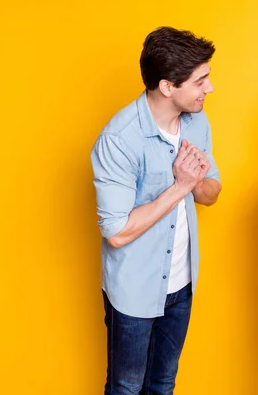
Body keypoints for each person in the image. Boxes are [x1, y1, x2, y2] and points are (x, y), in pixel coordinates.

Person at [90, 26, 221, 395]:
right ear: (167, 86)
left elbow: (211, 193)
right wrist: (180, 186)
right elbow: (116, 233)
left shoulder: (198, 121)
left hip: (182, 284)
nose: (209, 88)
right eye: (201, 80)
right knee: (126, 388)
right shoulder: (119, 141)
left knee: (163, 384)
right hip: (133, 290)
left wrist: (195, 182)